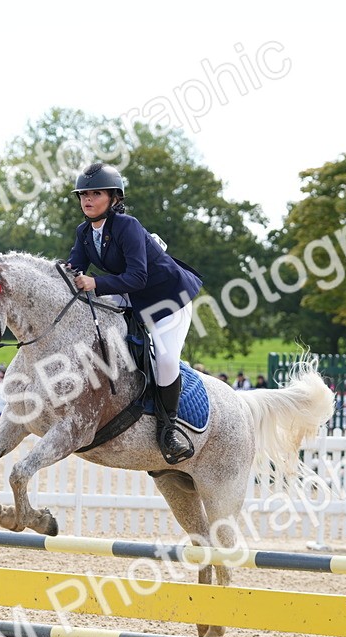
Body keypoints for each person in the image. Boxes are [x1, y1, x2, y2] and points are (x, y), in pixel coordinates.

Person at [68, 163, 203, 464]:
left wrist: (95, 282)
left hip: (168, 298)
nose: (87, 200)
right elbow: (72, 269)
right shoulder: (85, 232)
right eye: (83, 194)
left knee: (167, 359)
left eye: (96, 193)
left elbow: (138, 277)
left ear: (114, 198)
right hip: (133, 295)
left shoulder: (127, 226)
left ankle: (169, 430)